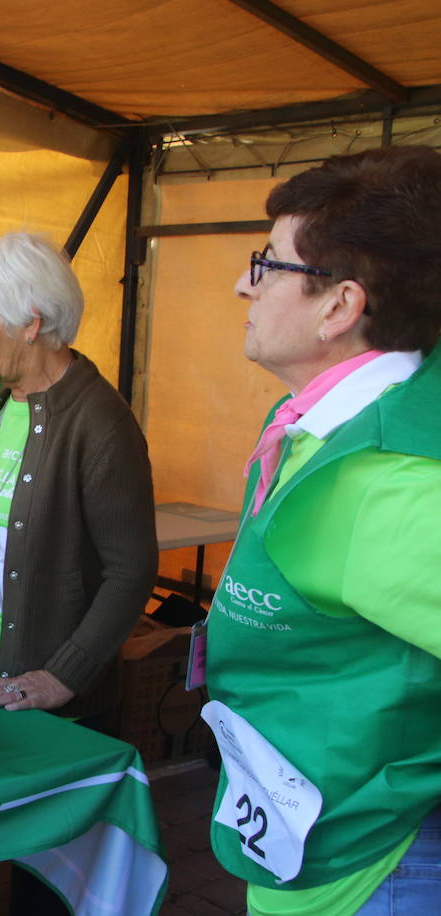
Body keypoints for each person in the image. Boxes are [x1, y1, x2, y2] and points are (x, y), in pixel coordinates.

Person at [205, 146, 441, 916]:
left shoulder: (386, 480)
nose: (243, 283)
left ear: (339, 307)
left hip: (376, 870)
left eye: (266, 265)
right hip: (317, 841)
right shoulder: (318, 426)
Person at [0, 232, 157, 716]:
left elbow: (131, 569)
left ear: (30, 323)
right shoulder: (1, 401)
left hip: (40, 709)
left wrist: (65, 675)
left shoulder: (100, 423)